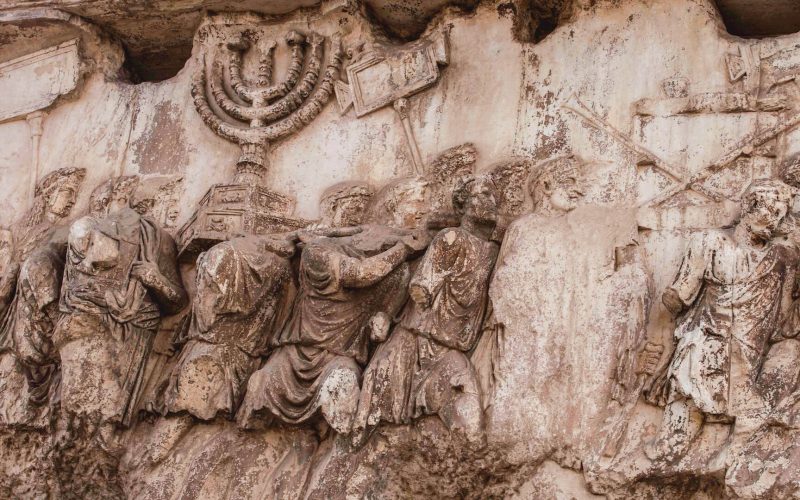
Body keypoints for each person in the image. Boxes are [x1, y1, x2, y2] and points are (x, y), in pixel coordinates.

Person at [237, 181, 430, 434]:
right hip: (296, 354)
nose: (355, 214)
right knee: (259, 388)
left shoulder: (392, 266)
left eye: (361, 208)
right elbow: (360, 274)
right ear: (330, 212)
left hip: (340, 357)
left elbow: (387, 297)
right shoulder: (316, 252)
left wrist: (383, 315)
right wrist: (404, 248)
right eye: (349, 206)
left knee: (342, 389)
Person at [646, 179, 798, 463]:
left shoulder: (784, 259)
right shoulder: (709, 241)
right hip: (707, 334)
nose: (777, 221)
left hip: (749, 347)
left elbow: (784, 319)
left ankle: (729, 458)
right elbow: (682, 292)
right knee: (689, 377)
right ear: (751, 207)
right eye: (773, 212)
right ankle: (670, 446)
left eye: (782, 214)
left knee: (752, 398)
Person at [353, 174, 500, 446]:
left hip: (449, 350)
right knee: (372, 423)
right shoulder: (450, 238)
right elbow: (420, 288)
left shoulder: (493, 250)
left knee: (469, 415)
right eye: (482, 195)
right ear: (463, 206)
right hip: (412, 344)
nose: (491, 202)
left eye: (492, 196)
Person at [53, 175, 188, 428]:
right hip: (85, 328)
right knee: (75, 417)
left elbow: (178, 301)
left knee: (103, 421)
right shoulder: (90, 234)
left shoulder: (158, 241)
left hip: (133, 335)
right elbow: (76, 286)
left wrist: (154, 279)